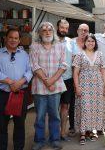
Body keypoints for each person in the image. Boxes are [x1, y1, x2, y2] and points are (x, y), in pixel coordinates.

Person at [0, 29, 33, 150]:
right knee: (1, 126)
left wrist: (20, 82)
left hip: (20, 94)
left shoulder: (24, 55)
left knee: (20, 125)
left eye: (16, 38)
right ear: (6, 38)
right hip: (2, 95)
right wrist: (10, 82)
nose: (13, 40)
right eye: (10, 37)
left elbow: (29, 71)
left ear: (19, 40)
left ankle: (18, 148)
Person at [30, 22, 67, 150]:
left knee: (54, 115)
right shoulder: (34, 46)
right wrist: (47, 82)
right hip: (39, 87)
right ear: (39, 33)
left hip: (55, 87)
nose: (47, 32)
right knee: (39, 115)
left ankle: (54, 140)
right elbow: (34, 66)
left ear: (53, 32)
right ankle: (39, 141)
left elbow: (63, 66)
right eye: (44, 30)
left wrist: (51, 81)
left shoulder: (60, 46)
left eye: (50, 30)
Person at [73, 33, 105, 145]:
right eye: (88, 41)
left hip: (97, 85)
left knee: (95, 108)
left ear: (95, 43)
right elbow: (75, 73)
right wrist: (77, 87)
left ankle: (91, 131)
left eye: (92, 41)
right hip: (84, 86)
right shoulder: (80, 54)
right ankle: (83, 133)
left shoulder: (100, 54)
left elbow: (103, 71)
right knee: (84, 108)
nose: (90, 43)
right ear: (85, 42)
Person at [68, 23, 89, 137]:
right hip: (72, 76)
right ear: (77, 31)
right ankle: (72, 126)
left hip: (86, 78)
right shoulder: (71, 42)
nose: (83, 32)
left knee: (84, 103)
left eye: (86, 30)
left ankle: (86, 126)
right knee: (73, 102)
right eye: (81, 30)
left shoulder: (89, 43)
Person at [56, 19, 73, 141]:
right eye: (62, 27)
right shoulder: (50, 41)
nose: (64, 30)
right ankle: (54, 133)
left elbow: (74, 58)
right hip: (54, 79)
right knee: (53, 108)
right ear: (57, 27)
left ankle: (63, 132)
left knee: (65, 107)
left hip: (68, 79)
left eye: (66, 28)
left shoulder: (70, 42)